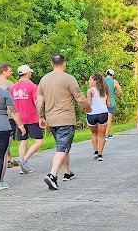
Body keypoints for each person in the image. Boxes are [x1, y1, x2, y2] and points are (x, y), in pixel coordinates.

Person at [35, 53, 92, 190]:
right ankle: (52, 175)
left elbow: (39, 101)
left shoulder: (44, 79)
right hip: (65, 119)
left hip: (52, 120)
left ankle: (67, 172)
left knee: (63, 146)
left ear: (52, 64)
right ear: (64, 64)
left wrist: (40, 117)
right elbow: (80, 98)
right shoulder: (69, 79)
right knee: (62, 147)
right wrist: (88, 108)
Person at [9, 64, 44, 173]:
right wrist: (41, 116)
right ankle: (24, 159)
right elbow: (37, 102)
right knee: (38, 141)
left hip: (20, 119)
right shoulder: (33, 87)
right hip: (32, 117)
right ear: (28, 73)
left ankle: (22, 167)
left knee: (23, 141)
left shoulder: (13, 87)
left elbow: (11, 105)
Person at [0, 63, 20, 169]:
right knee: (10, 138)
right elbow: (16, 98)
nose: (11, 72)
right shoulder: (9, 83)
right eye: (10, 71)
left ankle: (8, 158)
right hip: (9, 114)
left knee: (3, 137)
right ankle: (6, 158)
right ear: (4, 71)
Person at [86, 72, 111, 161]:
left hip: (92, 114)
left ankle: (95, 152)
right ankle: (100, 154)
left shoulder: (90, 90)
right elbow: (109, 103)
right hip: (103, 113)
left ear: (95, 81)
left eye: (90, 79)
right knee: (102, 135)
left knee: (94, 134)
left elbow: (88, 103)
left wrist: (85, 108)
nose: (89, 81)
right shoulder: (105, 90)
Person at [104, 69, 123, 140]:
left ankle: (107, 133)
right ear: (112, 75)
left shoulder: (102, 80)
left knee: (103, 120)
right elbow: (120, 91)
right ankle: (106, 135)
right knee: (109, 119)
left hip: (102, 102)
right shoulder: (114, 81)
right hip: (111, 103)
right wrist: (115, 93)